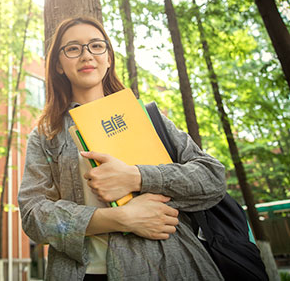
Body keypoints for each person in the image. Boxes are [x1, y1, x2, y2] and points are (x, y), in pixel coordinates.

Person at [18, 16, 227, 280]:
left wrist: (136, 176)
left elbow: (213, 178)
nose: (86, 55)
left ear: (108, 58)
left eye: (96, 46)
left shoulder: (147, 117)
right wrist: (121, 218)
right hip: (81, 273)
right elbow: (33, 215)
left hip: (170, 266)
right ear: (58, 65)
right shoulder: (46, 134)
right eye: (73, 48)